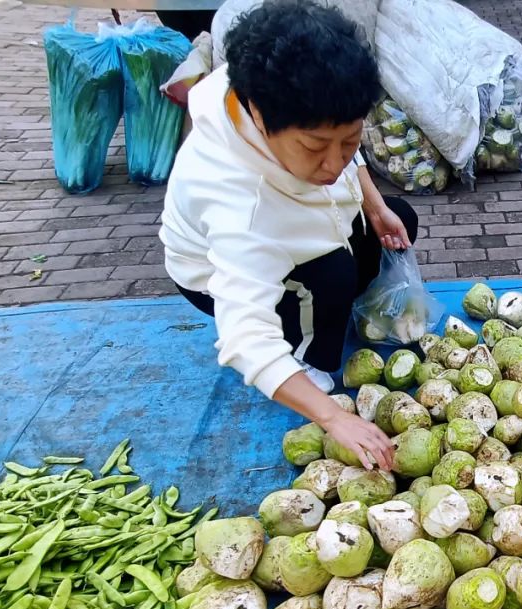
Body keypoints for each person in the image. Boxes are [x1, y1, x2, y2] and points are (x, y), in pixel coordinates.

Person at [159, 0, 416, 472]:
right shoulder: (241, 204)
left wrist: (375, 207)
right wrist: (334, 417)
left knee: (398, 218)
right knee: (333, 274)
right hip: (211, 278)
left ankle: (328, 308)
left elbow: (339, 152)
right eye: (316, 147)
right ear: (258, 115)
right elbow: (243, 338)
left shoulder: (282, 100)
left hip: (302, 226)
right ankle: (310, 364)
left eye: (351, 141)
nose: (336, 162)